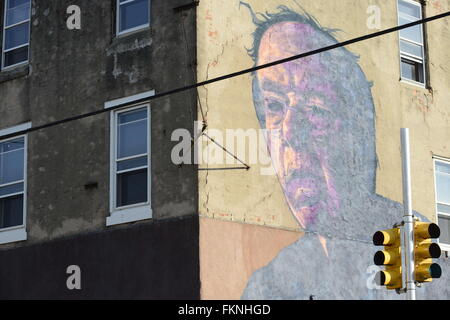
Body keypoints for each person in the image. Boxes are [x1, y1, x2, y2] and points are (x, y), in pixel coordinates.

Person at [239, 2, 450, 299]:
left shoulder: (420, 251)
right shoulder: (267, 285)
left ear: (358, 133)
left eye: (315, 108)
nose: (288, 134)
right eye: (274, 106)